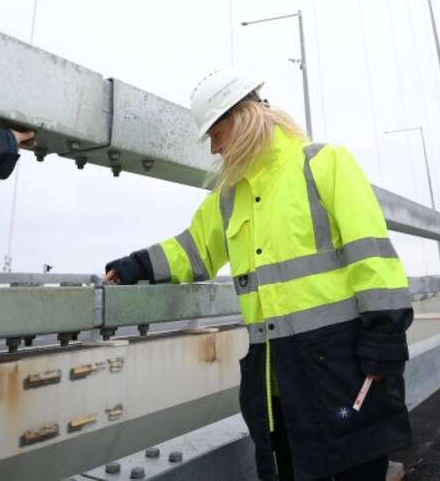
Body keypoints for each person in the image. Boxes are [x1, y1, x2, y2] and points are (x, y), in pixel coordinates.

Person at [105, 69, 413, 481]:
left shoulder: (324, 164)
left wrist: (385, 337)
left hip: (341, 367)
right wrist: (135, 266)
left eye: (216, 134)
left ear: (244, 116)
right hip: (274, 378)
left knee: (354, 470)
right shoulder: (229, 198)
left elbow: (373, 258)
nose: (214, 149)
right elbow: (192, 249)